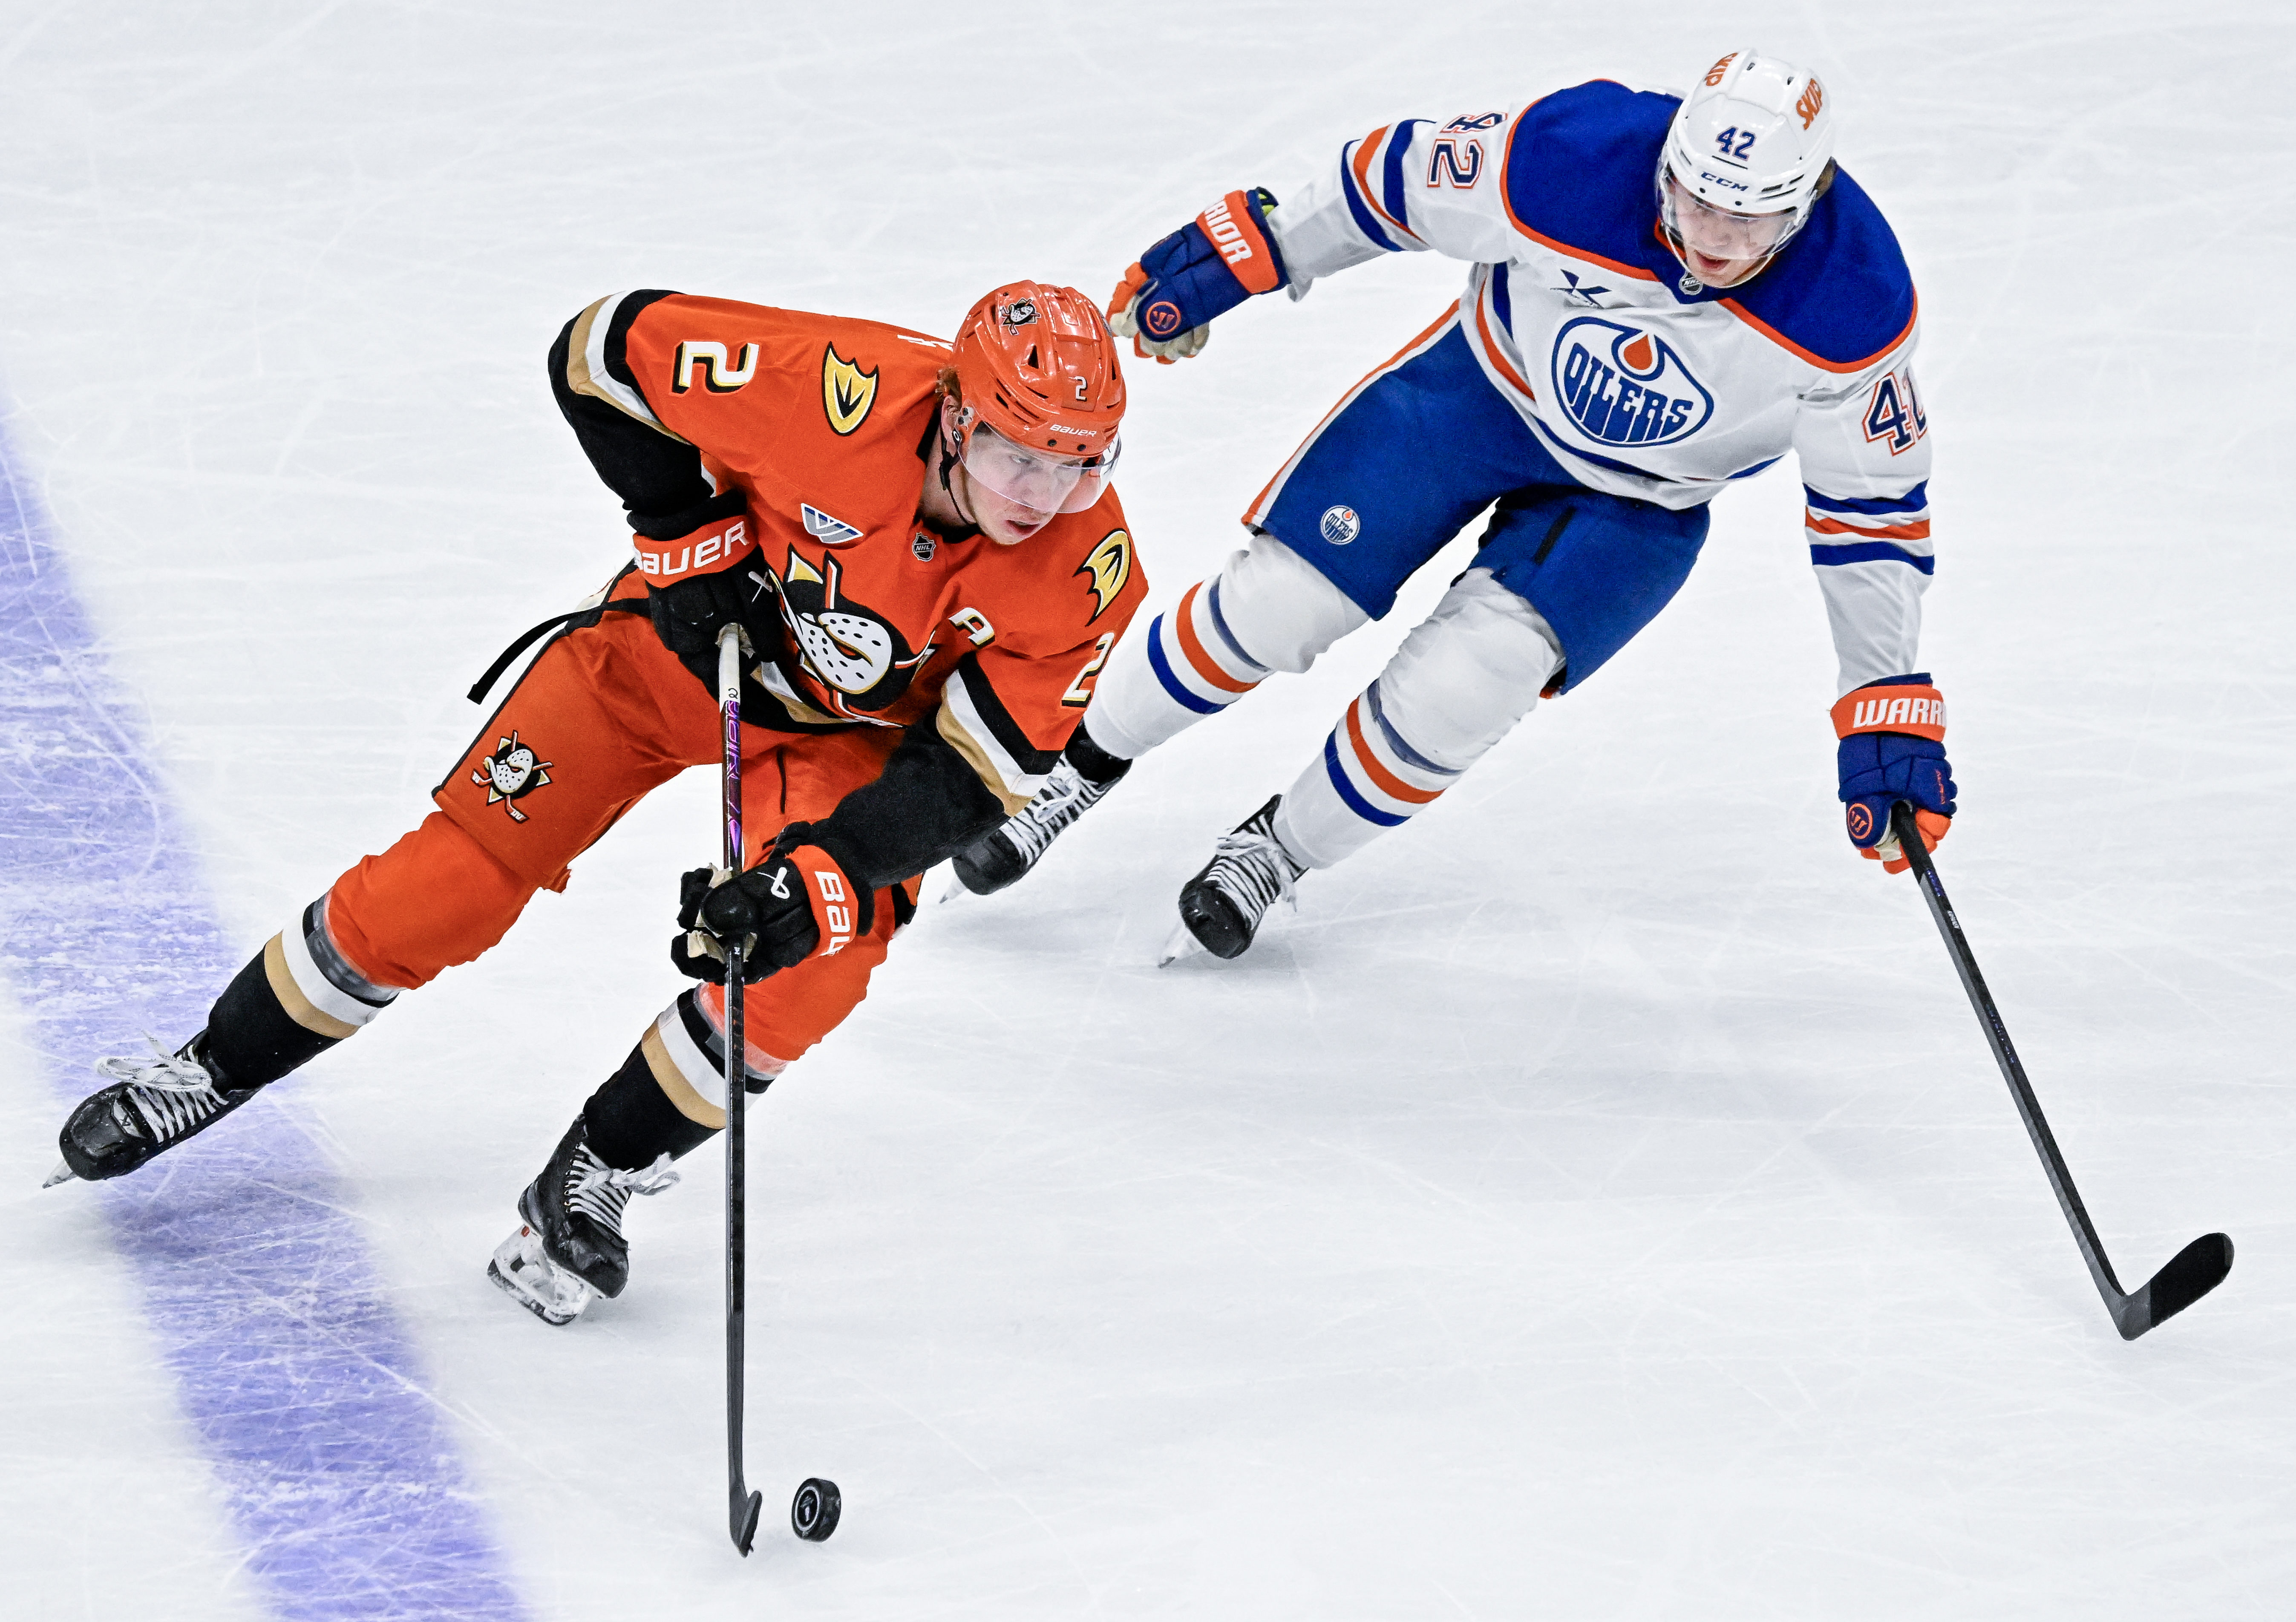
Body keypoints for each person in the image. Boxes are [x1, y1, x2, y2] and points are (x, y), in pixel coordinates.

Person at [50, 279, 1145, 1325]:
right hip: (676, 659)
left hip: (848, 745)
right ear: (956, 411)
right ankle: (212, 1064)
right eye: (1014, 454)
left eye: (1077, 467)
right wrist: (684, 540)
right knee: (452, 885)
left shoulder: (1086, 571)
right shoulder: (832, 387)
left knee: (808, 964)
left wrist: (816, 877)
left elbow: (975, 775)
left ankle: (599, 1168)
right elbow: (600, 349)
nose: (1038, 498)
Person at [952, 50, 1955, 963]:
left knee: (1469, 685)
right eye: (1693, 202)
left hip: (1639, 504)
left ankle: (1276, 853)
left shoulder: (1854, 306)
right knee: (1273, 606)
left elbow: (1869, 517)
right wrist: (1259, 247)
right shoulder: (1574, 157)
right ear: (1667, 167)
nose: (1709, 241)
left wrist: (1885, 701)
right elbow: (1395, 179)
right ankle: (1078, 765)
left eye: (1749, 221)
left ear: (1808, 201)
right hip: (1476, 398)